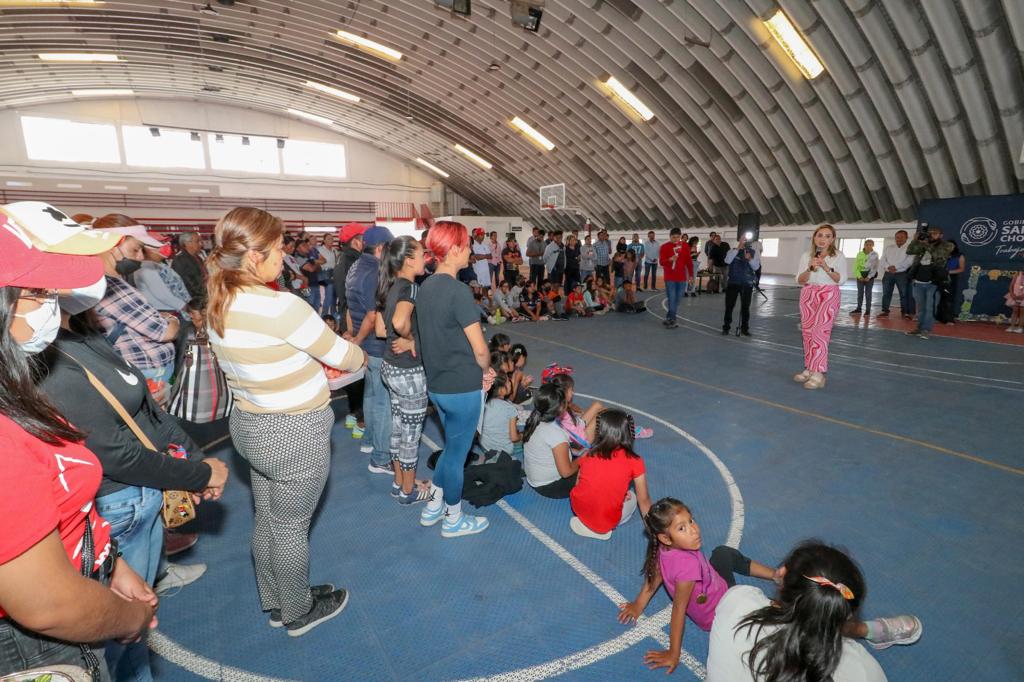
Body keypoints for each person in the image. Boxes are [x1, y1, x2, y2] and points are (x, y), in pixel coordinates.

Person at [0, 217, 157, 679]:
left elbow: (60, 505)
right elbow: (49, 604)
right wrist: (129, 618)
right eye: (37, 293)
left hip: (82, 572)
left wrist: (109, 562)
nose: (52, 303)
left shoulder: (16, 390)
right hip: (31, 646)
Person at [44, 303, 228, 681]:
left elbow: (146, 412)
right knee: (117, 638)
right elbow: (116, 456)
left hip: (141, 494)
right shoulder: (51, 366)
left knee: (135, 625)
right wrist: (198, 474)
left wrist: (194, 459)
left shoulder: (82, 332)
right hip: (116, 503)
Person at [206, 207, 367, 637]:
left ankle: (276, 599)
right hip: (293, 432)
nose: (283, 256)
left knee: (268, 518)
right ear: (254, 256)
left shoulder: (218, 302)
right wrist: (355, 354)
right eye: (277, 249)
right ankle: (298, 611)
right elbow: (346, 356)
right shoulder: (282, 307)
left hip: (249, 426)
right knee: (291, 528)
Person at [708, 540, 923, 681]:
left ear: (781, 574)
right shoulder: (863, 670)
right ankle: (866, 630)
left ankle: (863, 629)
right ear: (845, 613)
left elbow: (722, 560)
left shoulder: (737, 602)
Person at [414, 221, 492, 538]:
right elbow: (480, 349)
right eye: (467, 244)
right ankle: (454, 518)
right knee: (458, 456)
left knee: (452, 448)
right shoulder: (459, 292)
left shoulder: (424, 288)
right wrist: (486, 370)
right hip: (462, 387)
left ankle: (434, 503)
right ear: (456, 249)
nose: (471, 250)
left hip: (437, 386)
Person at [375, 236, 431, 504]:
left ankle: (399, 482)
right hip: (408, 372)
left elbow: (380, 329)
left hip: (390, 367)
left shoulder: (389, 285)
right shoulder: (410, 288)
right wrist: (411, 338)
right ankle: (409, 491)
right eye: (421, 255)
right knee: (411, 434)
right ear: (408, 261)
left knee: (398, 428)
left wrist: (407, 337)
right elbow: (399, 322)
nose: (425, 259)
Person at [94, 234, 180, 385]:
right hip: (146, 372)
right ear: (113, 247)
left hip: (144, 370)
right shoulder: (112, 287)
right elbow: (166, 332)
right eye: (135, 250)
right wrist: (173, 319)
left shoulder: (114, 282)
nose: (140, 257)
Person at [347, 226, 396, 473]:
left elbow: (349, 308)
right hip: (375, 344)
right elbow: (372, 315)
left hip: (365, 343)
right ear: (381, 248)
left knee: (370, 394)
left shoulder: (355, 267)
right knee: (383, 401)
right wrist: (358, 339)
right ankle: (381, 456)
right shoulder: (375, 272)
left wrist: (355, 336)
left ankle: (368, 441)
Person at [568, 409, 652, 540]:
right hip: (606, 522)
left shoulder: (589, 453)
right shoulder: (635, 461)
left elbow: (578, 484)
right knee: (633, 497)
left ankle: (587, 522)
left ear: (599, 432)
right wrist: (654, 532)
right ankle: (601, 526)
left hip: (578, 509)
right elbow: (644, 500)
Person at [795, 225, 847, 390]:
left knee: (820, 333)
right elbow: (800, 279)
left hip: (828, 294)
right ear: (814, 237)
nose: (823, 239)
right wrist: (809, 268)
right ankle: (810, 368)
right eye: (820, 235)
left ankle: (818, 374)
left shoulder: (838, 256)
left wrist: (826, 267)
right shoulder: (806, 256)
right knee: (808, 333)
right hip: (808, 293)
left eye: (827, 236)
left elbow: (841, 279)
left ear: (833, 239)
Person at [334, 223, 367, 440]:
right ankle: (361, 418)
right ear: (355, 241)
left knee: (354, 371)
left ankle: (354, 413)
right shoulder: (355, 261)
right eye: (363, 238)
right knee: (361, 373)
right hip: (355, 321)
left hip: (348, 319)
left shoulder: (342, 260)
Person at [522, 383, 578, 499]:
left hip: (536, 480)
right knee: (595, 468)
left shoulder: (534, 420)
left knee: (579, 455)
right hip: (551, 486)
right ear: (561, 407)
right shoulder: (556, 434)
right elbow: (566, 472)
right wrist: (583, 460)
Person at [905, 226, 953, 340]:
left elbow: (938, 256)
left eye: (935, 233)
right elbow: (910, 251)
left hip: (934, 281)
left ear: (941, 235)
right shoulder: (923, 244)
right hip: (919, 280)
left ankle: (926, 330)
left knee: (930, 307)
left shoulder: (947, 245)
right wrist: (915, 240)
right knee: (921, 307)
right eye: (930, 233)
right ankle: (919, 328)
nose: (931, 235)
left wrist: (926, 244)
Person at [722, 236, 761, 336]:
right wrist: (738, 248)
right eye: (743, 240)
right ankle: (726, 327)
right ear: (739, 241)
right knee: (729, 306)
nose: (745, 242)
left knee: (745, 307)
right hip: (733, 283)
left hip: (747, 284)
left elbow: (756, 267)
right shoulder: (732, 251)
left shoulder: (754, 253)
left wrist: (750, 259)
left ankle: (745, 328)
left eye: (746, 240)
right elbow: (727, 261)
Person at [479, 372, 522, 459]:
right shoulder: (509, 408)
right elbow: (514, 438)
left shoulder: (482, 403)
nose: (510, 383)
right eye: (508, 381)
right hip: (504, 451)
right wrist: (522, 436)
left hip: (485, 447)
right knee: (527, 434)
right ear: (501, 389)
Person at [659, 228, 694, 329]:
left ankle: (669, 317)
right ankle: (672, 320)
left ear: (680, 237)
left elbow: (689, 262)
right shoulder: (664, 247)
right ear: (670, 236)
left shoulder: (685, 246)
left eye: (678, 237)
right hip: (670, 278)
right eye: (673, 237)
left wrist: (691, 275)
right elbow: (661, 262)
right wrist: (670, 259)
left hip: (681, 278)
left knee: (677, 299)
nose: (675, 239)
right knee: (672, 298)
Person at [877, 230, 914, 319]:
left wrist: (895, 267)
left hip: (902, 274)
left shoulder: (910, 248)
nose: (899, 239)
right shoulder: (889, 248)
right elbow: (882, 259)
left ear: (906, 238)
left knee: (904, 294)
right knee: (886, 293)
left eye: (902, 237)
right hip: (888, 274)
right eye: (897, 237)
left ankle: (905, 312)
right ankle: (885, 311)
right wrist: (888, 267)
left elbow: (910, 261)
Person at [171, 231, 208, 311]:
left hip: (202, 299)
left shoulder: (198, 257)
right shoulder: (180, 259)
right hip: (193, 303)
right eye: (197, 241)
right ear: (187, 243)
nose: (201, 244)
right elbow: (187, 284)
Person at [937, 243, 966, 325]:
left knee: (949, 299)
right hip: (940, 279)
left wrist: (948, 272)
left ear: (955, 247)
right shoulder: (941, 255)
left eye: (951, 246)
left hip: (951, 280)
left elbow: (961, 269)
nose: (949, 248)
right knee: (940, 299)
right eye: (947, 246)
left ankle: (949, 319)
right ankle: (939, 318)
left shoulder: (959, 256)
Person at [851, 239, 880, 316]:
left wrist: (869, 277)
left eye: (870, 245)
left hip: (870, 276)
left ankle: (868, 310)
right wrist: (859, 276)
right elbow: (856, 266)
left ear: (873, 246)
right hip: (860, 275)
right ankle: (858, 309)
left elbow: (875, 267)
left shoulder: (875, 254)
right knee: (860, 293)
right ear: (864, 245)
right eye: (867, 244)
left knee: (868, 293)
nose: (868, 246)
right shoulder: (859, 254)